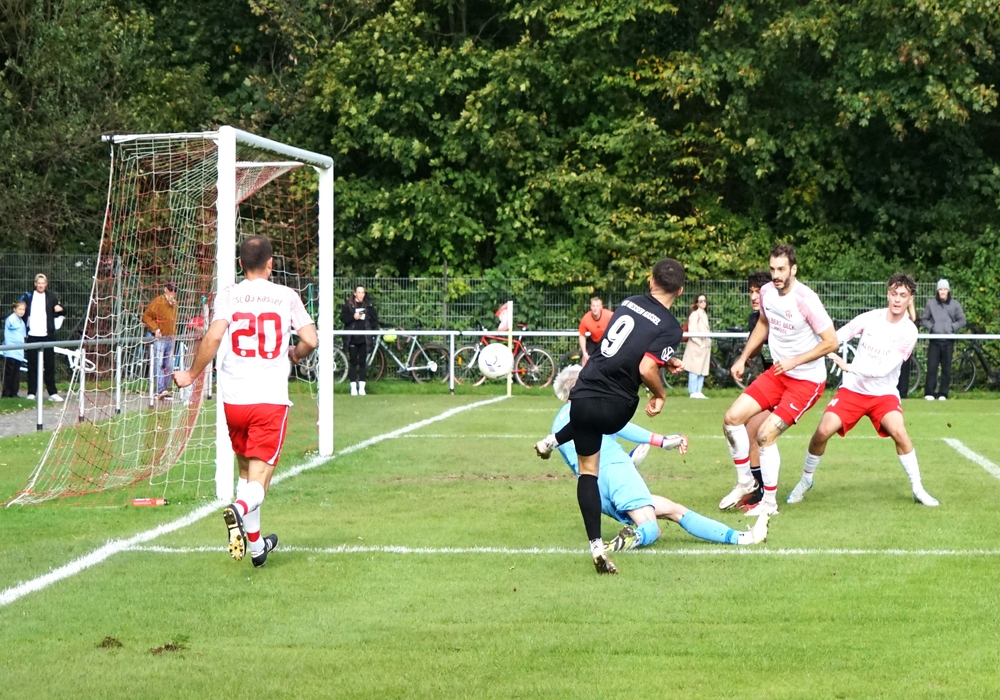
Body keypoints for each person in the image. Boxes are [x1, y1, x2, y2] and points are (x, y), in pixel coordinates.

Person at [533, 258, 686, 575]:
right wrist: (660, 394)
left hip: (585, 392)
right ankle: (564, 445)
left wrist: (664, 359)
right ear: (680, 291)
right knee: (598, 425)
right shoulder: (671, 327)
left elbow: (623, 346)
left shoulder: (629, 302)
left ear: (650, 281)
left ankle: (595, 544)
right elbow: (645, 367)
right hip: (617, 406)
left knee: (588, 471)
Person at [174, 236, 317, 568]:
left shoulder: (228, 294)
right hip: (269, 399)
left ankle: (257, 547)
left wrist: (192, 375)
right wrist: (296, 353)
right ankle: (237, 509)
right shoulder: (286, 295)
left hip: (234, 400)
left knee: (244, 470)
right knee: (259, 481)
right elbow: (311, 339)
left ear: (240, 264)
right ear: (271, 263)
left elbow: (214, 336)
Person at [549, 365, 768, 551]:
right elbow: (622, 427)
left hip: (595, 491)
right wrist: (661, 441)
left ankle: (743, 537)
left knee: (674, 510)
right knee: (651, 527)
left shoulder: (557, 425)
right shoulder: (591, 406)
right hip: (617, 472)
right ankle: (630, 539)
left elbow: (581, 461)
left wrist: (628, 462)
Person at [787, 273, 938, 507]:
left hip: (884, 394)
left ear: (910, 299)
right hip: (853, 391)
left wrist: (848, 366)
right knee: (822, 432)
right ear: (888, 294)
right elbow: (839, 335)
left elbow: (883, 369)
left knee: (899, 432)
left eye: (903, 295)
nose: (897, 299)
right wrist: (820, 348)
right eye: (894, 294)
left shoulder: (909, 332)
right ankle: (806, 480)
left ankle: (918, 488)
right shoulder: (871, 318)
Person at [720, 244, 838, 516]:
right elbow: (763, 323)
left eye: (781, 269)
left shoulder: (806, 299)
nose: (776, 275)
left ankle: (769, 504)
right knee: (732, 418)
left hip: (806, 381)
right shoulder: (766, 292)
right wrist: (743, 357)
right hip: (778, 375)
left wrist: (795, 361)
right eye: (773, 269)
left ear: (793, 269)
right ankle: (745, 482)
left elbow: (831, 342)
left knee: (765, 436)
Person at [739, 271, 775, 509]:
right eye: (751, 292)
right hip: (771, 381)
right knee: (743, 425)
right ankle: (755, 487)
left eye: (758, 292)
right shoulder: (756, 319)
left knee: (754, 430)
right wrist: (746, 355)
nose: (753, 297)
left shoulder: (783, 315)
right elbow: (755, 351)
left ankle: (761, 492)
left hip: (790, 384)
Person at [21, 273, 65, 402]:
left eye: (43, 283)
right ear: (35, 284)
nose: (41, 285)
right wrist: (24, 330)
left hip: (47, 336)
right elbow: (21, 312)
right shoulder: (28, 296)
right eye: (38, 283)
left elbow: (62, 311)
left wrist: (60, 308)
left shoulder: (51, 297)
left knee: (49, 365)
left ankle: (52, 393)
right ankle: (31, 393)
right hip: (32, 336)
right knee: (32, 366)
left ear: (46, 284)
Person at [921, 279, 966, 401]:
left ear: (948, 291)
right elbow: (924, 319)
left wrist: (952, 327)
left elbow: (962, 320)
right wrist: (932, 327)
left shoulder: (955, 305)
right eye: (940, 289)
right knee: (932, 367)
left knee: (946, 368)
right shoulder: (930, 304)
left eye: (945, 289)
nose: (942, 291)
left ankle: (943, 393)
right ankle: (929, 393)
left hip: (948, 341)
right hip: (934, 340)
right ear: (937, 291)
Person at [142, 281, 178, 398]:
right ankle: (160, 390)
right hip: (160, 338)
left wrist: (174, 332)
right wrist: (155, 328)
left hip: (170, 338)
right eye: (170, 289)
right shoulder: (158, 301)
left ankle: (164, 389)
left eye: (175, 290)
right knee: (159, 363)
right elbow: (146, 316)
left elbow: (172, 320)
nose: (172, 292)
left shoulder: (175, 304)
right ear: (165, 289)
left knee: (169, 365)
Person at [340, 286, 378, 396]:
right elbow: (343, 319)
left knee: (362, 363)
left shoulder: (369, 306)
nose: (361, 295)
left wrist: (368, 323)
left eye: (362, 292)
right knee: (353, 362)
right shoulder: (348, 305)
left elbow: (374, 321)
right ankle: (353, 388)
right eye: (359, 292)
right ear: (355, 293)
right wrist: (353, 317)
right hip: (352, 338)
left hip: (364, 338)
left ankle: (362, 388)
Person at [682, 294, 711, 399]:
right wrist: (700, 343)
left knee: (702, 369)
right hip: (696, 346)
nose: (703, 303)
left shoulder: (704, 314)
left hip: (704, 346)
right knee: (694, 370)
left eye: (704, 300)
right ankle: (693, 391)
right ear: (697, 303)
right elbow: (692, 331)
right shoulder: (695, 314)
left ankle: (699, 391)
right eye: (701, 301)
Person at [578, 296, 613, 366]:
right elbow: (582, 335)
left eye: (597, 306)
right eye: (593, 306)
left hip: (606, 340)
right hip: (594, 341)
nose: (595, 308)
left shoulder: (609, 315)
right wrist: (584, 353)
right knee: (587, 360)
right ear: (590, 307)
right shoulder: (586, 318)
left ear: (601, 307)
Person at [2, 301, 27, 398]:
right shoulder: (11, 319)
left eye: (23, 309)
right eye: (19, 309)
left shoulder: (22, 322)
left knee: (16, 372)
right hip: (11, 350)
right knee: (9, 372)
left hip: (19, 351)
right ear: (14, 309)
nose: (21, 311)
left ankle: (14, 392)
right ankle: (6, 393)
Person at [895, 298, 918, 398]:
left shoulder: (913, 313)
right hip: (894, 344)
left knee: (905, 369)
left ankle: (903, 392)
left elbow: (915, 323)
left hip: (906, 346)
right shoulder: (895, 310)